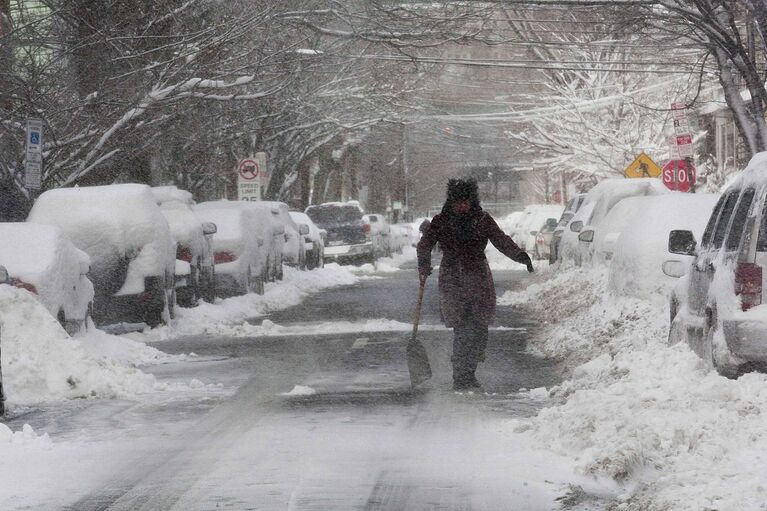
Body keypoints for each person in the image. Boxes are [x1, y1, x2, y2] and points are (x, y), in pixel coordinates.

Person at [417, 178, 534, 390]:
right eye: (458, 202)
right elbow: (424, 245)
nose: (462, 205)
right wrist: (423, 266)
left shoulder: (482, 220)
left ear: (472, 201)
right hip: (452, 277)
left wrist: (520, 256)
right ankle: (461, 375)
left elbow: (501, 240)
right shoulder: (442, 221)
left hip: (478, 276)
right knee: (462, 327)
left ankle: (469, 369)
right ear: (451, 202)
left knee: (480, 327)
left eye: (466, 201)